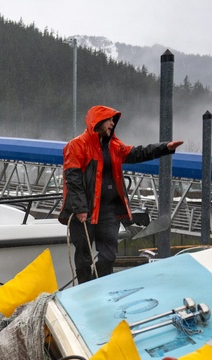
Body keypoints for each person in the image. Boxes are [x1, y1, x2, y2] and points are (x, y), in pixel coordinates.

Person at [60, 105, 183, 284]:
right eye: (109, 120)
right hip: (85, 212)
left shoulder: (115, 146)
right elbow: (72, 178)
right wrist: (80, 208)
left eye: (113, 121)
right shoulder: (77, 145)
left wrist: (165, 148)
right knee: (83, 255)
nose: (112, 123)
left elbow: (138, 153)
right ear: (98, 121)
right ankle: (84, 289)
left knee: (109, 255)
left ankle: (99, 286)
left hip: (109, 212)